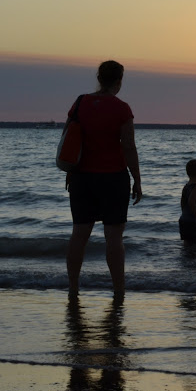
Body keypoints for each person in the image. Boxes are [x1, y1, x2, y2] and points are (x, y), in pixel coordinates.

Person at [65, 60, 142, 299]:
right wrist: (137, 179)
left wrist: (70, 171)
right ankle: (119, 290)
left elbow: (69, 139)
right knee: (114, 238)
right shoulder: (121, 108)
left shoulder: (80, 103)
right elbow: (128, 146)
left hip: (81, 177)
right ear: (119, 81)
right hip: (113, 178)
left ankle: (73, 288)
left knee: (79, 234)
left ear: (99, 78)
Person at [179, 159, 196, 245]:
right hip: (192, 221)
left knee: (187, 243)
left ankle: (186, 258)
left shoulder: (186, 187)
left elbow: (182, 202)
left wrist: (184, 213)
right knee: (194, 244)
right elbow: (191, 201)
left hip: (183, 219)